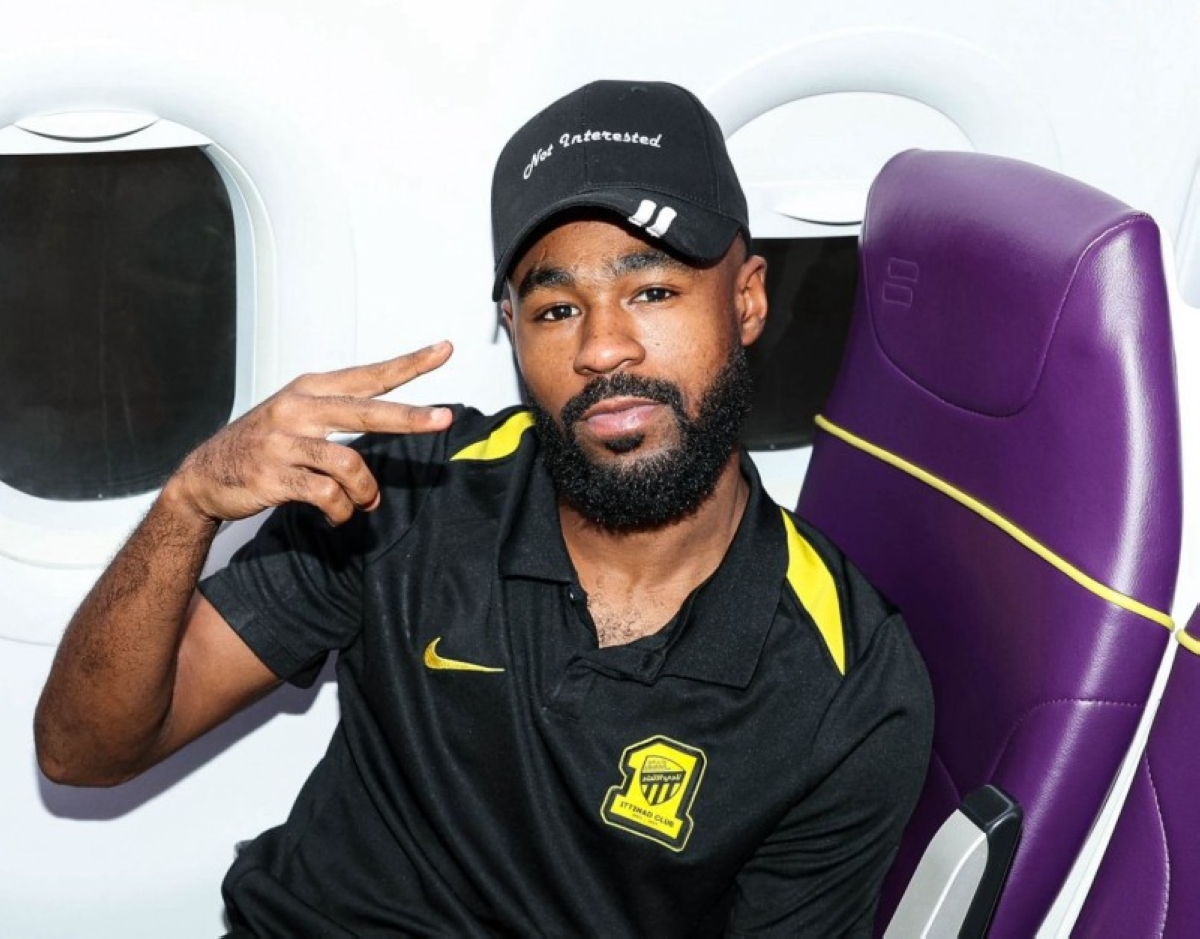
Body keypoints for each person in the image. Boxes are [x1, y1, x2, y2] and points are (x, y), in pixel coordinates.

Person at [34, 79, 933, 937]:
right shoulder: (404, 491)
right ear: (511, 327)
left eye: (652, 291)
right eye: (555, 309)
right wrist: (189, 501)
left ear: (747, 300)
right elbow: (83, 749)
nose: (603, 347)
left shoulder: (847, 684)